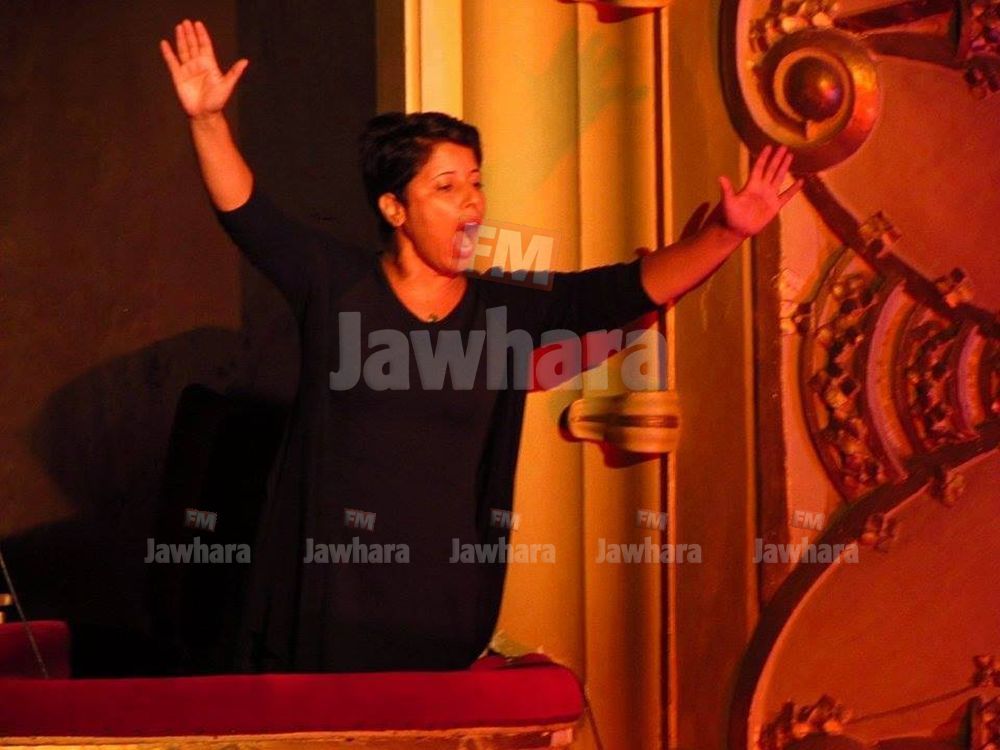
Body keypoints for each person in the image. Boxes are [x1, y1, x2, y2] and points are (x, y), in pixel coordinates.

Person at [159, 19, 802, 673]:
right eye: (446, 187)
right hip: (323, 608)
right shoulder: (336, 286)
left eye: (475, 182)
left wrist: (726, 233)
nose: (471, 203)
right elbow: (250, 217)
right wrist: (208, 120)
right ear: (394, 209)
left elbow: (623, 289)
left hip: (440, 615)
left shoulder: (504, 310)